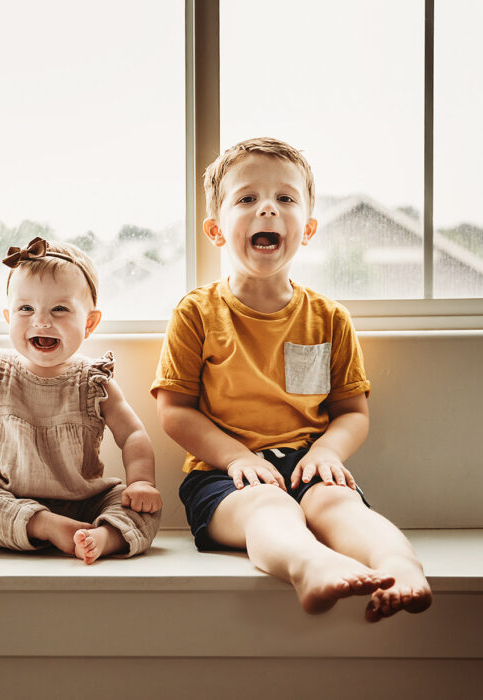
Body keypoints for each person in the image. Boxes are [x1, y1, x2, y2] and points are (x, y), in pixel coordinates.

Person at [152, 137, 432, 620]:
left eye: (285, 198)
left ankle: (401, 568)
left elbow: (352, 414)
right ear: (216, 230)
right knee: (268, 509)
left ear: (308, 228)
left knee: (342, 509)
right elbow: (174, 410)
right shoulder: (196, 313)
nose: (267, 210)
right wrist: (237, 457)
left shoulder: (329, 319)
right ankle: (310, 566)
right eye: (247, 199)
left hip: (306, 463)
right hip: (222, 476)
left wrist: (327, 452)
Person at [0, 237, 162, 564]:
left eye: (59, 309)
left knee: (142, 507)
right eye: (26, 308)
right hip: (13, 500)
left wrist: (142, 482)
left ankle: (103, 536)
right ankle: (45, 526)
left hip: (87, 502)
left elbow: (133, 435)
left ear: (89, 323)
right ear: (8, 317)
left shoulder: (94, 382)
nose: (41, 321)